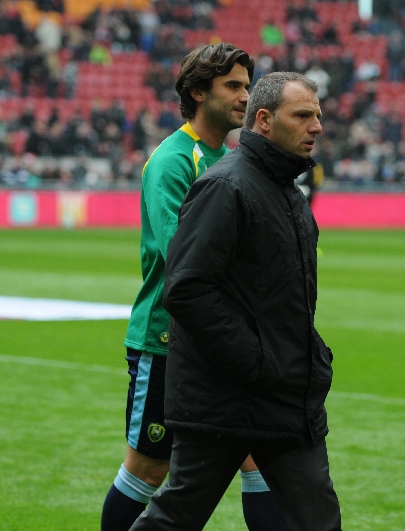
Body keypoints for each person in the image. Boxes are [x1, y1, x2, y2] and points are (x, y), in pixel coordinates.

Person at [130, 71, 341, 531]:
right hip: (225, 399)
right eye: (303, 115)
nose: (317, 126)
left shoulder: (288, 192)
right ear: (263, 120)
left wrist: (308, 356)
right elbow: (186, 287)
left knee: (318, 519)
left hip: (283, 396)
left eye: (318, 115)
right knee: (176, 517)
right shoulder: (227, 186)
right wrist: (256, 360)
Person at [102, 43, 288, 531]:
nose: (245, 97)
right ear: (197, 92)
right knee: (148, 469)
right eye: (232, 86)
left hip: (221, 338)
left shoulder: (227, 157)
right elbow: (182, 253)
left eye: (248, 86)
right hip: (166, 340)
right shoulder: (172, 162)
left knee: (257, 455)